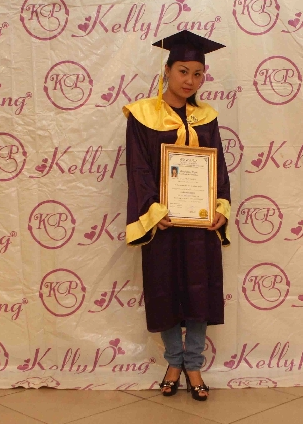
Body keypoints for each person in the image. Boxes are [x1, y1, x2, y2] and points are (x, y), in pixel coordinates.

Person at [123, 30, 231, 401]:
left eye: (198, 74)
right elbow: (138, 168)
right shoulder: (142, 115)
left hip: (199, 221)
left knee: (200, 291)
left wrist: (220, 206)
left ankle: (194, 364)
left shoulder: (207, 117)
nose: (190, 80)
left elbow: (218, 167)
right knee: (164, 289)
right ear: (167, 70)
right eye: (183, 71)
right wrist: (153, 210)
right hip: (163, 223)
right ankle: (173, 362)